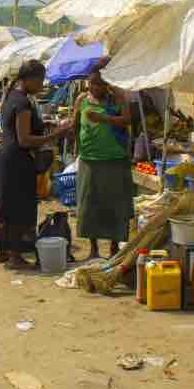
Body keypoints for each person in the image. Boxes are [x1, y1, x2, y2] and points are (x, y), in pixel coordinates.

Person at [0, 60, 69, 270]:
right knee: (19, 206)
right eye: (40, 81)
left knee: (6, 205)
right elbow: (24, 139)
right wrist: (56, 135)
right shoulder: (23, 103)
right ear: (30, 79)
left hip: (5, 155)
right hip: (16, 159)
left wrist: (44, 125)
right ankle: (15, 256)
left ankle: (4, 251)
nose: (42, 85)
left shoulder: (12, 96)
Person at [73, 71, 134, 260]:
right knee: (89, 205)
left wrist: (103, 119)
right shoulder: (82, 100)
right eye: (92, 83)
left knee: (115, 204)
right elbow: (75, 124)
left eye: (99, 83)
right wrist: (78, 146)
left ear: (107, 84)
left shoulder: (117, 99)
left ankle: (114, 247)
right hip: (89, 159)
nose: (94, 87)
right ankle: (93, 249)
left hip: (114, 159)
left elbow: (127, 120)